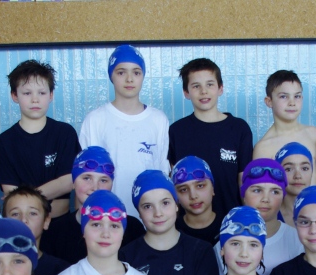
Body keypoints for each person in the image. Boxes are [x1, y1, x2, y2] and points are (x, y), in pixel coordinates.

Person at [79, 45, 170, 218]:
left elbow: (162, 174)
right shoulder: (95, 120)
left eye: (136, 72)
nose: (129, 79)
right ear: (111, 76)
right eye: (121, 72)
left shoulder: (158, 120)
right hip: (106, 218)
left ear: (143, 76)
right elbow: (83, 178)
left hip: (149, 219)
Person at [0, 59, 80, 217]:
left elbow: (68, 182)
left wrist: (26, 196)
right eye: (27, 93)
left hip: (61, 222)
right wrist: (41, 194)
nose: (35, 99)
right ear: (14, 95)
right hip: (22, 225)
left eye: (42, 93)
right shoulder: (5, 142)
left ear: (51, 95)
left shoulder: (65, 133)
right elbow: (11, 194)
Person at [168, 58, 252, 216]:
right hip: (188, 223)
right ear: (186, 92)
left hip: (231, 221)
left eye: (210, 84)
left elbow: (244, 182)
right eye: (196, 86)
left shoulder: (239, 129)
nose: (203, 91)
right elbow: (174, 183)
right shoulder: (176, 131)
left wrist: (247, 217)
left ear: (220, 88)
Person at [43, 146, 146, 263]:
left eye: (103, 180)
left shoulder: (133, 229)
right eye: (87, 178)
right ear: (73, 183)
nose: (95, 187)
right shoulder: (55, 232)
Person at [215, 159, 303, 275]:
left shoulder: (298, 241)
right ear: (243, 194)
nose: (265, 199)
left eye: (275, 192)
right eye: (257, 190)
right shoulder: (225, 243)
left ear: (283, 197)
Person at [253, 71, 316, 185]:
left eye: (297, 96)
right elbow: (263, 190)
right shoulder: (264, 148)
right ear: (269, 101)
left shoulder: (314, 135)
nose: (292, 103)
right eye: (283, 96)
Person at [3, 185, 71, 275]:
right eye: (15, 214)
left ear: (46, 221)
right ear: (4, 222)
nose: (23, 220)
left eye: (32, 213)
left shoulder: (62, 272)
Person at [172, 156, 222, 246]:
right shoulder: (171, 232)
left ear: (212, 188)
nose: (193, 196)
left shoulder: (230, 227)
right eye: (183, 190)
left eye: (200, 186)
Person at [274, 143, 314, 228]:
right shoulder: (269, 216)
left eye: (305, 168)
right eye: (288, 169)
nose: (298, 176)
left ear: (312, 172)